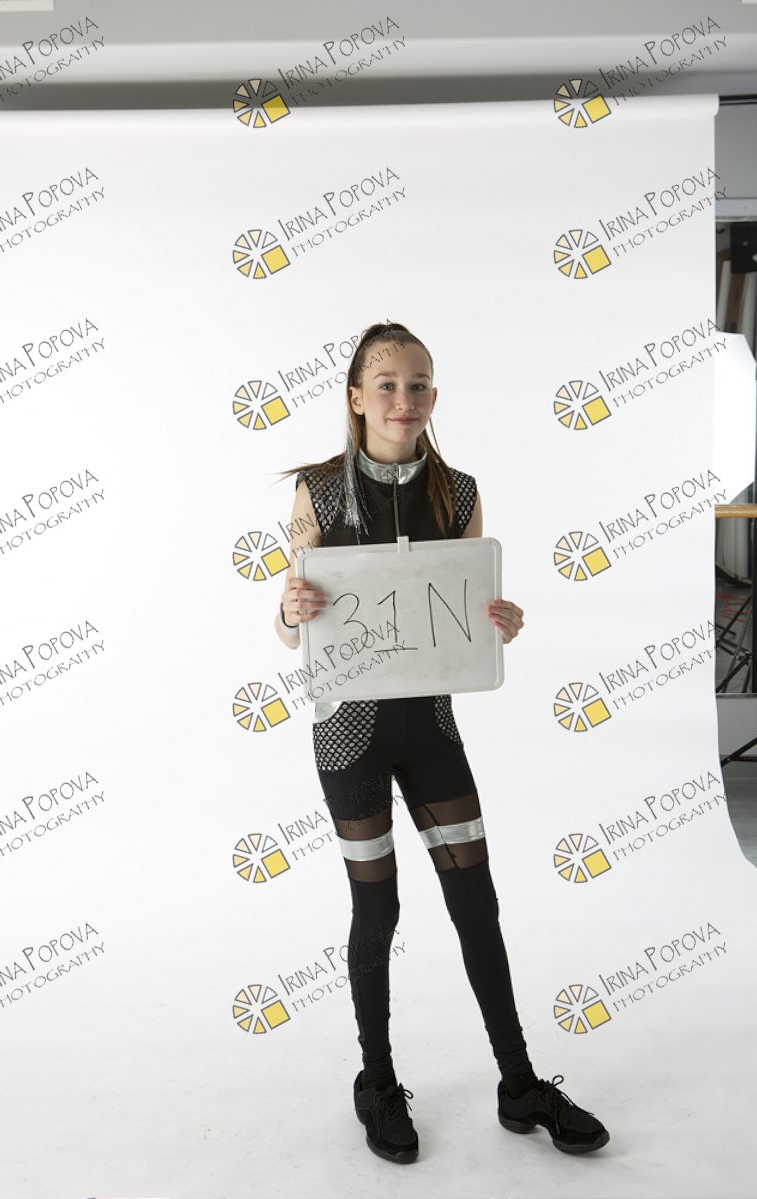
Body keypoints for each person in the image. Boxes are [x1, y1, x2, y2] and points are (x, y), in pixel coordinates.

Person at [273, 322, 609, 1163]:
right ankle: (378, 1081)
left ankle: (519, 1083)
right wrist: (288, 609)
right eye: (387, 384)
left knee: (474, 900)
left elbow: (467, 618)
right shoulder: (319, 490)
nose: (404, 398)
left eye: (418, 383)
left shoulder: (458, 492)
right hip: (348, 730)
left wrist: (502, 620)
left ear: (434, 395)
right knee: (377, 907)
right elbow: (292, 626)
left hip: (428, 725)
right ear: (356, 396)